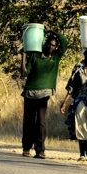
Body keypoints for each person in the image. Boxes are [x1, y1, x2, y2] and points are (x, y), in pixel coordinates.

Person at [19, 28, 69, 159]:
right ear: (44, 44)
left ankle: (40, 150)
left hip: (44, 93)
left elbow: (65, 41)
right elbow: (24, 73)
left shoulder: (56, 58)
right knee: (29, 121)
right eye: (48, 44)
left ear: (56, 48)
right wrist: (24, 56)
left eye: (53, 45)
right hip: (30, 92)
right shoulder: (35, 56)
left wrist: (52, 31)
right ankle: (26, 148)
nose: (50, 47)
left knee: (41, 122)